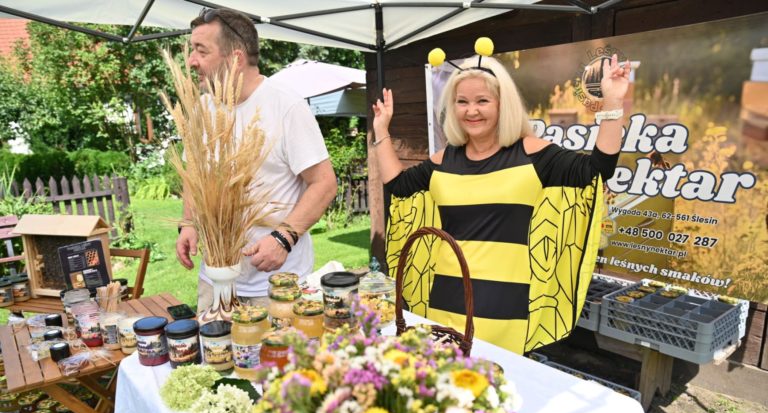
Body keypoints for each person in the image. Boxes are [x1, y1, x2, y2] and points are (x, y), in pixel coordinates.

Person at [373, 52, 630, 354]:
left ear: (502, 103)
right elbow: (398, 187)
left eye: (482, 101)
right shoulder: (444, 160)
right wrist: (381, 132)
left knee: (497, 388)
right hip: (444, 298)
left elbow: (598, 170)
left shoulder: (534, 153)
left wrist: (613, 104)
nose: (471, 111)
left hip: (506, 305)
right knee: (443, 388)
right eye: (462, 102)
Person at [176, 8, 337, 311]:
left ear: (235, 58)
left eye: (201, 51)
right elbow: (195, 175)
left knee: (279, 359)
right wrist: (188, 223)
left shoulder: (285, 106)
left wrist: (283, 238)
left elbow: (324, 184)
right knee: (214, 358)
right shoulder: (201, 108)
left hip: (277, 286)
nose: (191, 61)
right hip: (216, 281)